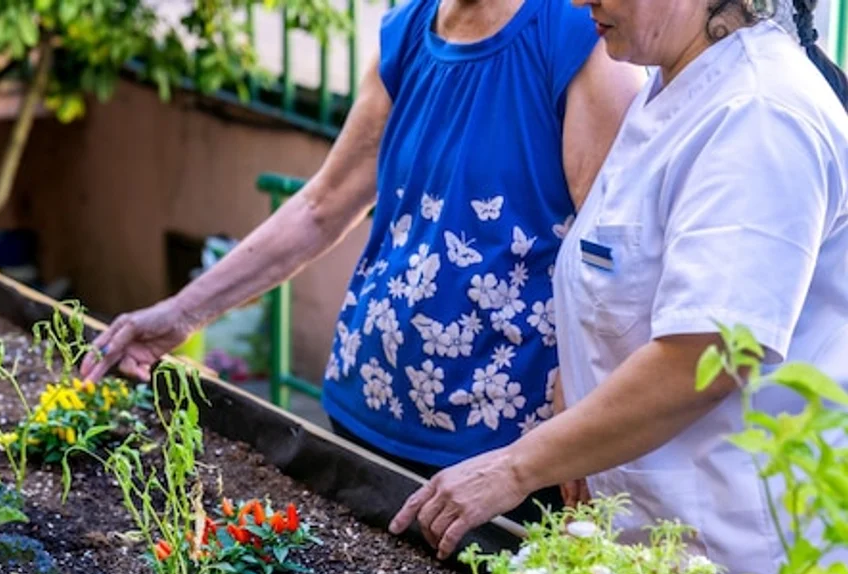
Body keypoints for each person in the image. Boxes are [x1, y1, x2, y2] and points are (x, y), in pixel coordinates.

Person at [83, 0, 644, 526]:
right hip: (363, 414)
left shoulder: (578, 32)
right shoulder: (409, 28)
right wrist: (182, 315)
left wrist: (578, 421)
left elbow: (611, 258)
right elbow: (320, 206)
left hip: (498, 459)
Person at [390, 0, 848, 574]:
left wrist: (518, 465)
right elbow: (627, 282)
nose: (581, 1)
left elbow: (708, 358)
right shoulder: (671, 83)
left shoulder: (759, 115)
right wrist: (576, 396)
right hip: (659, 551)